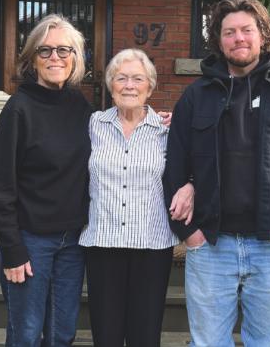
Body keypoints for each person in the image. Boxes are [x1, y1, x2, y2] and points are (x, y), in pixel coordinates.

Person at [163, 0, 270, 346]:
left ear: (262, 35)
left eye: (247, 30)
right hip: (211, 246)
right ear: (218, 41)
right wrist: (191, 234)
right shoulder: (196, 97)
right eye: (229, 32)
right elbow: (175, 164)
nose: (239, 38)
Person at [0, 14, 91, 347]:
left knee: (62, 333)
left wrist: (154, 120)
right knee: (26, 334)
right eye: (45, 51)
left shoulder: (81, 107)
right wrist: (13, 249)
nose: (55, 58)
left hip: (73, 241)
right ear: (32, 59)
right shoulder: (19, 109)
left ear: (75, 57)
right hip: (30, 241)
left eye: (63, 50)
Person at [79, 48, 194, 347]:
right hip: (102, 242)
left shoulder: (167, 131)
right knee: (106, 335)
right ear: (110, 85)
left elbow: (193, 166)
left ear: (150, 87)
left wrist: (191, 186)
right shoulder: (92, 125)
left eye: (137, 78)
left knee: (145, 334)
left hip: (151, 245)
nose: (129, 85)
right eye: (121, 78)